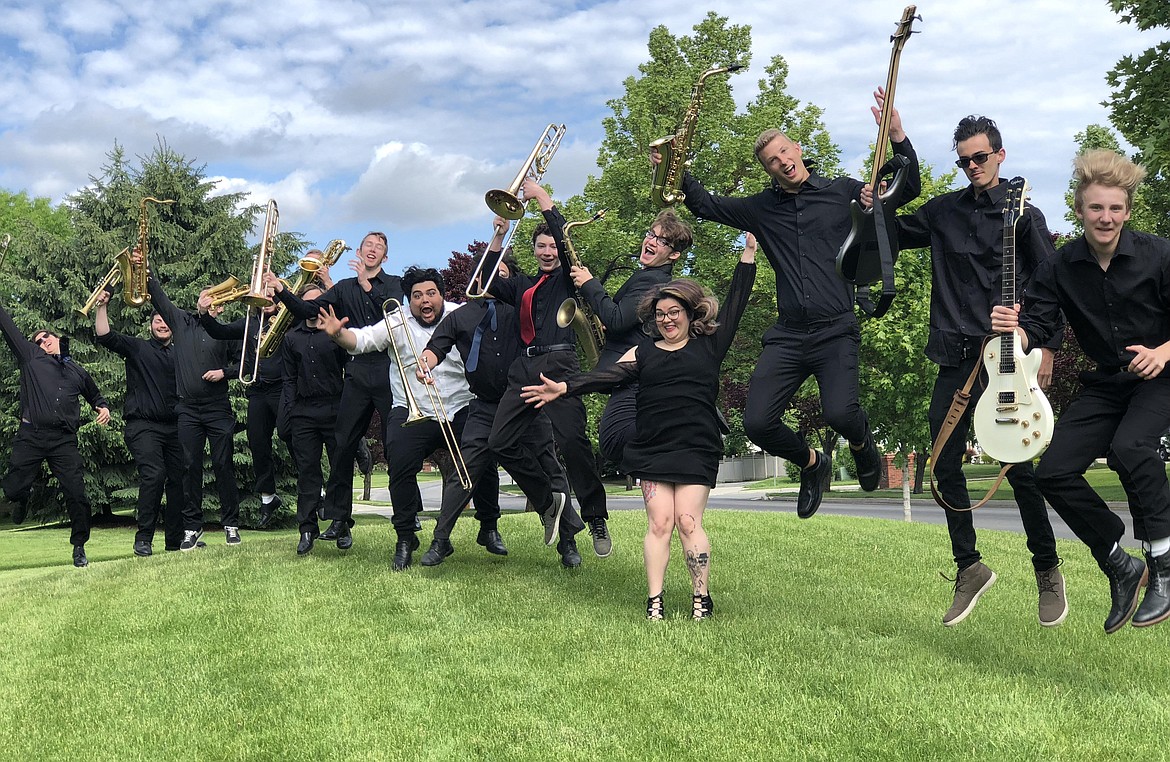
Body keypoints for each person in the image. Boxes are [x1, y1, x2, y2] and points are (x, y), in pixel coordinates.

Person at [654, 89, 919, 518]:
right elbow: (705, 205)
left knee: (841, 413)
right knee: (757, 423)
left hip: (836, 328)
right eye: (772, 162)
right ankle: (813, 463)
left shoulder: (845, 193)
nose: (782, 162)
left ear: (798, 149)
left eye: (784, 152)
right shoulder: (761, 209)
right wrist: (672, 169)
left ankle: (860, 440)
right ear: (769, 170)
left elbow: (909, 190)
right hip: (790, 335)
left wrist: (897, 138)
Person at [889, 115, 1065, 627]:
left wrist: (1045, 345)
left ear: (1000, 156)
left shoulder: (1023, 216)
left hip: (1008, 357)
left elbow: (1054, 286)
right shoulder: (943, 211)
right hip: (955, 354)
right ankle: (969, 567)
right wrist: (895, 153)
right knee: (942, 461)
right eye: (964, 160)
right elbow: (892, 230)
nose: (971, 167)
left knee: (1021, 468)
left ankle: (1047, 569)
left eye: (980, 158)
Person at [523, 236, 757, 619]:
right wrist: (565, 386)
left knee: (686, 520)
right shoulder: (644, 351)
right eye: (660, 314)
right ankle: (655, 602)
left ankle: (702, 597)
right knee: (660, 522)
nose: (666, 319)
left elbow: (736, 301)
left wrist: (748, 253)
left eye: (673, 312)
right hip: (652, 446)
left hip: (696, 447)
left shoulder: (710, 344)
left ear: (689, 312)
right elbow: (607, 376)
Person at [992, 149, 1170, 633]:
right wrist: (1016, 330)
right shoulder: (1061, 265)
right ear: (1079, 209)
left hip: (1161, 376)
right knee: (1052, 471)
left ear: (1127, 210)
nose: (1106, 217)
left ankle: (1163, 567)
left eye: (1115, 208)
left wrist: (1165, 350)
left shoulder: (1159, 254)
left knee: (1131, 448)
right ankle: (1118, 562)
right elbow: (1038, 325)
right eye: (1096, 208)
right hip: (1108, 382)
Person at [417, 251, 586, 568]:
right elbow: (436, 347)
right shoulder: (461, 317)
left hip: (527, 401)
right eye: (489, 273)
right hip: (482, 408)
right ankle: (440, 541)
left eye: (503, 273)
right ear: (478, 278)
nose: (496, 279)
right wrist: (424, 365)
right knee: (462, 474)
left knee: (550, 469)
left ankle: (568, 542)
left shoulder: (526, 311)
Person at [481, 179, 606, 566]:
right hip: (524, 368)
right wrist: (498, 237)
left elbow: (562, 239)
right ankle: (547, 502)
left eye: (552, 245)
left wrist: (543, 200)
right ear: (533, 251)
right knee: (499, 442)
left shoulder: (569, 275)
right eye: (541, 246)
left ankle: (596, 517)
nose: (548, 250)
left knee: (571, 441)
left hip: (559, 362)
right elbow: (484, 279)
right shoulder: (521, 284)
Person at [320, 266, 473, 570]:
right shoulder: (396, 320)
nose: (424, 301)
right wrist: (339, 334)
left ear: (441, 295)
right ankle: (405, 537)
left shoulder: (461, 314)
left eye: (431, 293)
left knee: (480, 459)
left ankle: (484, 527)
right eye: (417, 295)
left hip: (460, 405)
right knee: (399, 466)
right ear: (408, 299)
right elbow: (361, 340)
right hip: (411, 407)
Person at [264, 233, 403, 550]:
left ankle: (409, 511)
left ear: (385, 257)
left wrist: (367, 286)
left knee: (397, 442)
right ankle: (339, 520)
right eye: (368, 244)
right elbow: (304, 309)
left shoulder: (393, 284)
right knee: (342, 450)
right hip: (356, 370)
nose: (372, 249)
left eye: (379, 247)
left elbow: (392, 317)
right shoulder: (341, 289)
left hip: (385, 367)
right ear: (360, 250)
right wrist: (283, 290)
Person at [568, 208, 690, 556]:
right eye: (650, 233)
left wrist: (590, 284)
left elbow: (617, 318)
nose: (650, 241)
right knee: (615, 442)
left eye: (661, 240)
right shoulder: (648, 279)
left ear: (674, 254)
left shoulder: (654, 282)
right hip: (633, 378)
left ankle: (666, 481)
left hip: (635, 380)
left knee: (614, 441)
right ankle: (665, 488)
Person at [0, 311, 110, 567]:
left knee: (76, 494)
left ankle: (79, 547)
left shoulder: (76, 371)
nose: (43, 342)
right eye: (37, 341)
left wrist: (102, 407)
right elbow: (6, 325)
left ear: (57, 338)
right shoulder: (30, 358)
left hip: (63, 441)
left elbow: (95, 396)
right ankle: (23, 497)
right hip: (32, 436)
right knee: (13, 488)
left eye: (46, 337)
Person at [146, 264, 244, 549]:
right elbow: (159, 297)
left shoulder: (226, 330)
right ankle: (192, 527)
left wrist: (223, 373)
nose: (207, 301)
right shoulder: (180, 322)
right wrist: (147, 271)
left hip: (217, 407)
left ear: (220, 306)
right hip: (187, 409)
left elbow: (245, 364)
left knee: (223, 463)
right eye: (205, 297)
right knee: (189, 467)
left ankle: (231, 524)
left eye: (213, 298)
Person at [92, 286, 185, 555]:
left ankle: (175, 542)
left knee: (179, 481)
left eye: (167, 321)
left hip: (175, 427)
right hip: (143, 426)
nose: (163, 325)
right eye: (158, 321)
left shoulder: (182, 353)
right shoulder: (138, 348)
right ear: (150, 326)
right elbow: (105, 336)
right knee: (154, 475)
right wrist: (101, 306)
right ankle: (143, 538)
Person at [277, 285, 348, 555]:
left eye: (317, 301)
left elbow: (348, 368)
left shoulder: (334, 334)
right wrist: (292, 409)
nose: (312, 306)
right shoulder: (292, 338)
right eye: (306, 302)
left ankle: (342, 524)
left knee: (339, 469)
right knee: (308, 473)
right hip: (304, 413)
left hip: (334, 408)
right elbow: (288, 378)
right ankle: (307, 529)